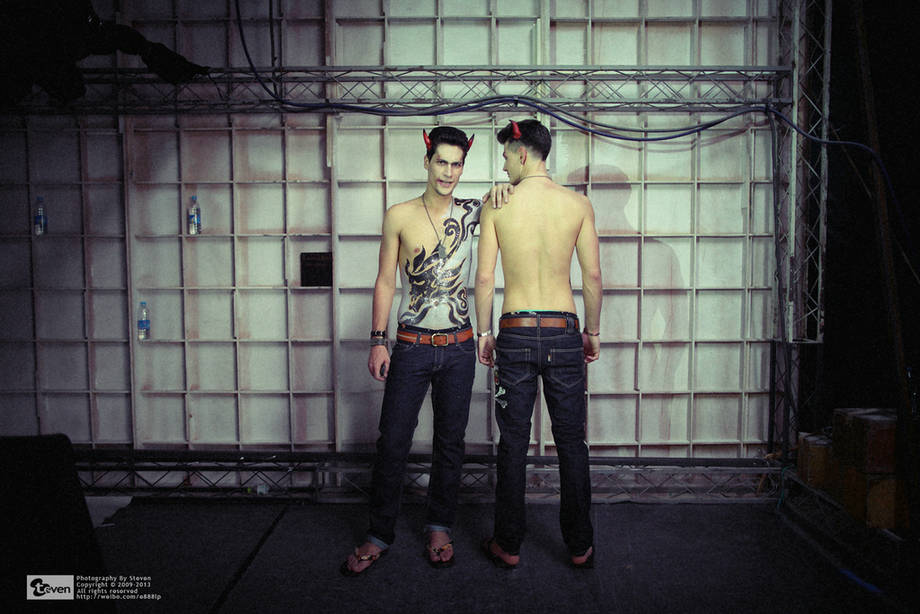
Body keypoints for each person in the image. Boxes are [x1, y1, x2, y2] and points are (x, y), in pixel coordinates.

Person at [341, 126, 512, 576]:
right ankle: (379, 533)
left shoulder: (473, 211)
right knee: (393, 440)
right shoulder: (399, 214)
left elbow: (508, 199)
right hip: (411, 345)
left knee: (450, 443)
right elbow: (385, 280)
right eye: (441, 162)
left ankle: (439, 526)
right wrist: (378, 340)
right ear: (426, 161)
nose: (449, 172)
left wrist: (502, 188)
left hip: (458, 346)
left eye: (457, 164)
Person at [474, 119, 603, 569]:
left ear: (522, 153)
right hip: (564, 330)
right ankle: (580, 546)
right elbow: (592, 276)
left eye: (506, 156)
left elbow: (485, 278)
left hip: (515, 332)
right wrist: (592, 331)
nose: (503, 166)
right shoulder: (578, 204)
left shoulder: (497, 206)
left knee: (512, 442)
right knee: (572, 442)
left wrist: (484, 333)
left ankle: (508, 545)